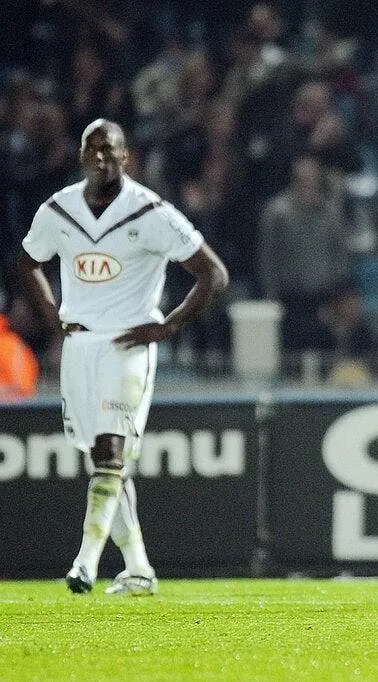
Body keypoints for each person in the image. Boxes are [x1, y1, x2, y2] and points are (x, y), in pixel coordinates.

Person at [17, 119, 229, 595]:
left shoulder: (151, 211)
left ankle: (84, 563)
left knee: (111, 449)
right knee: (102, 459)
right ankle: (138, 570)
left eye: (109, 149)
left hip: (128, 345)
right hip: (80, 346)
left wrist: (168, 325)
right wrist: (52, 314)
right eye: (92, 148)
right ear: (80, 155)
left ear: (126, 156)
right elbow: (27, 262)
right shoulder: (58, 209)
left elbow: (213, 273)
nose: (100, 157)